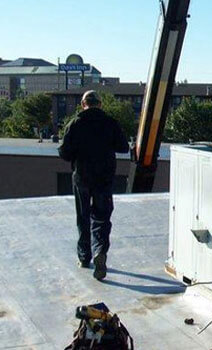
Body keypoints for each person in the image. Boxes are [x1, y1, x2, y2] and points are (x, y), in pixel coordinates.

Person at [58, 90, 129, 280]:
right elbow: (123, 147)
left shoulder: (75, 124)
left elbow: (64, 152)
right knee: (102, 217)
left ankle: (84, 257)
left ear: (83, 104)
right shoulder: (110, 123)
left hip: (82, 177)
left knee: (83, 217)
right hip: (104, 178)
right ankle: (100, 251)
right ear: (100, 104)